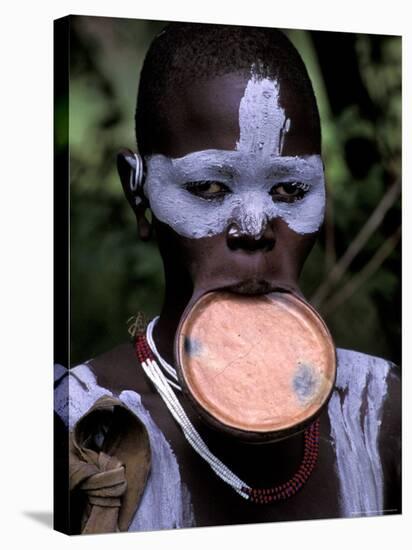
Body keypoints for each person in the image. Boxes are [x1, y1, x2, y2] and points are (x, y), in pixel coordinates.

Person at [54, 22, 401, 534]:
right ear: (138, 192)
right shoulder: (76, 425)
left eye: (289, 190)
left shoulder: (384, 412)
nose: (254, 228)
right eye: (210, 187)